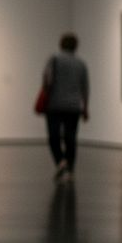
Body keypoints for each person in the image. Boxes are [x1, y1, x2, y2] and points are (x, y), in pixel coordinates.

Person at [43, 33, 89, 183]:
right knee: (71, 138)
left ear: (61, 44)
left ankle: (61, 162)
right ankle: (69, 169)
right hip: (74, 106)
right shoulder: (81, 63)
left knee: (53, 136)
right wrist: (85, 107)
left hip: (54, 104)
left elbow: (47, 79)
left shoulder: (54, 59)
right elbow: (85, 87)